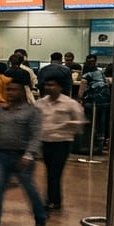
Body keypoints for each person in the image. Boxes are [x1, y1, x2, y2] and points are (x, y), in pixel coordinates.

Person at [0, 81, 47, 226]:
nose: (9, 93)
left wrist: (29, 155)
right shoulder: (2, 111)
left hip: (22, 157)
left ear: (23, 91)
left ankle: (41, 218)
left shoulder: (32, 112)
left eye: (14, 90)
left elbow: (35, 136)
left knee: (30, 190)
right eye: (8, 90)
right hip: (2, 156)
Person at [35, 76, 85, 212]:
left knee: (55, 172)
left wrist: (67, 125)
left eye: (52, 85)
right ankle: (52, 199)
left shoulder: (70, 104)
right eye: (47, 85)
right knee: (49, 171)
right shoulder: (40, 103)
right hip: (46, 142)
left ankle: (53, 201)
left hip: (62, 143)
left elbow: (80, 123)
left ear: (60, 87)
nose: (49, 88)